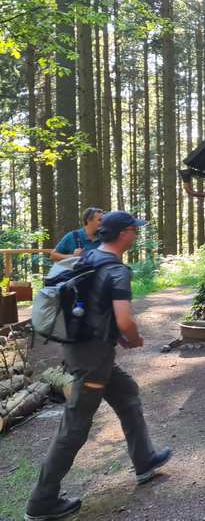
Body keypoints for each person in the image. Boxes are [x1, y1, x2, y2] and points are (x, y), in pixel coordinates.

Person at [26, 212, 171, 521]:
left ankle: (144, 460)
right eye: (134, 230)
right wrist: (133, 338)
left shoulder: (90, 257)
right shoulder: (117, 270)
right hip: (92, 359)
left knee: (127, 392)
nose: (136, 235)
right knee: (75, 425)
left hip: (81, 349)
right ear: (124, 234)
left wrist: (112, 334)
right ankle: (41, 502)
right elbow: (124, 319)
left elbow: (92, 304)